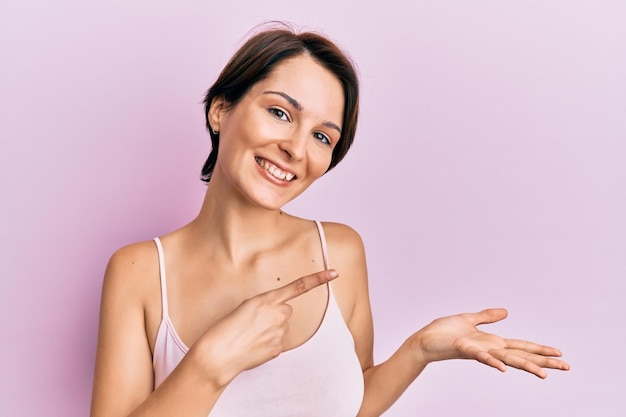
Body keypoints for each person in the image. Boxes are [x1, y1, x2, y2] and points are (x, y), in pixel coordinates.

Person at [90, 24, 570, 417]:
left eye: (323, 137)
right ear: (221, 109)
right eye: (280, 112)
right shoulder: (139, 272)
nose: (297, 149)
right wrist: (210, 365)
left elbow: (350, 404)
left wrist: (420, 349)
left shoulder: (338, 251)